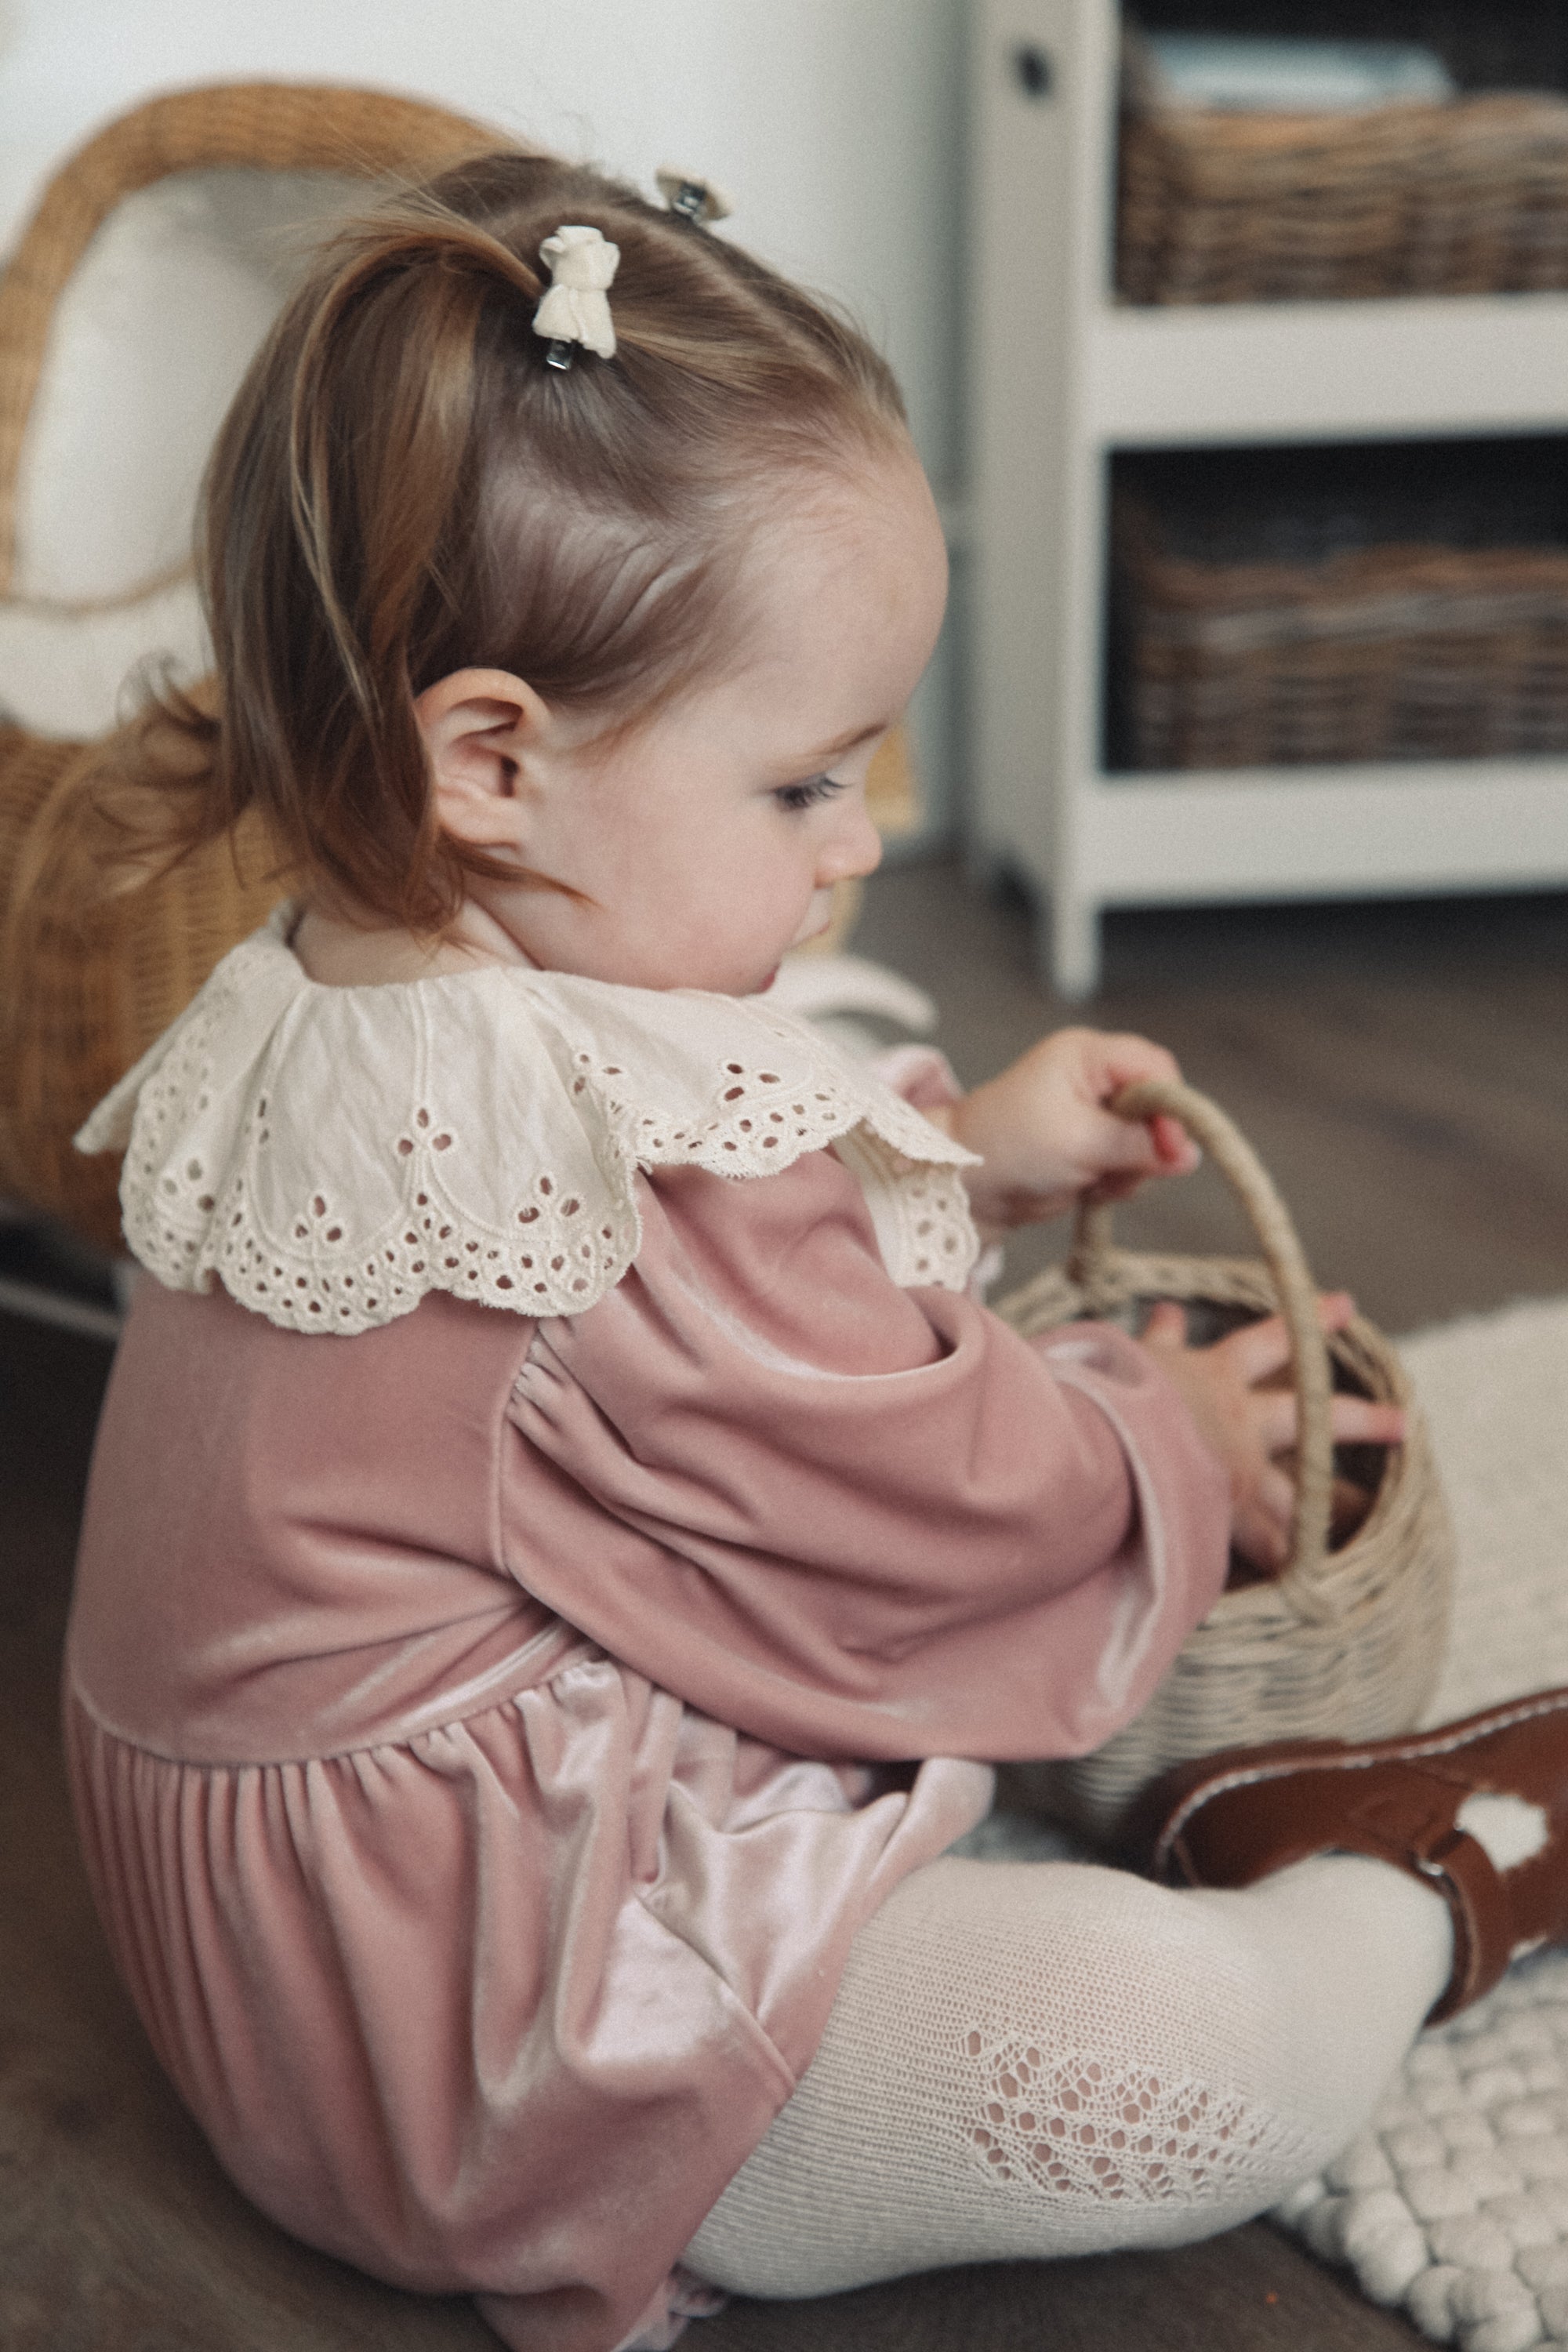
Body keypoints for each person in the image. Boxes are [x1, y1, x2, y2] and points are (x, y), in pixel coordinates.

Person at [62, 150, 1568, 2352]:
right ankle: (1440, 1892)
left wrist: (964, 1153)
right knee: (1162, 2068)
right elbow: (905, 1473)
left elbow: (673, 1352)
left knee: (907, 1711)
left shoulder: (335, 998)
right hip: (485, 2034)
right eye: (804, 788)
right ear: (496, 759)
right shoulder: (610, 1161)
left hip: (275, 1966)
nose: (859, 843)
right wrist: (1169, 1438)